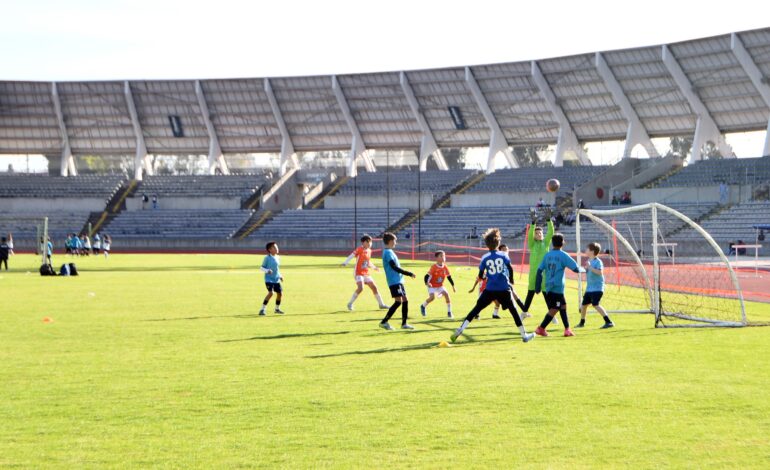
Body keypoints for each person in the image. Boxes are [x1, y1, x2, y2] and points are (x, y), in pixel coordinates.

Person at [450, 228, 535, 344]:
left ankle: (460, 329)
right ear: (498, 243)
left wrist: (485, 277)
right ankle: (524, 335)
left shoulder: (485, 257)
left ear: (486, 244)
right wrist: (511, 279)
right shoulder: (504, 255)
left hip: (489, 289)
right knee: (514, 311)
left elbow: (481, 274)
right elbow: (509, 268)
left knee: (476, 309)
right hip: (504, 289)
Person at [534, 233, 586, 337]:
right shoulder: (563, 255)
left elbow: (539, 270)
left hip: (549, 286)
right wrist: (585, 269)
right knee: (555, 308)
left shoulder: (547, 255)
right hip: (556, 287)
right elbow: (576, 269)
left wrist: (538, 286)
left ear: (552, 243)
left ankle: (567, 330)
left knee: (563, 306)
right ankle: (541, 328)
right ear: (563, 243)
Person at [520, 210, 556, 323]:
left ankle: (552, 315)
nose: (539, 234)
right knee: (530, 294)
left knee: (546, 295)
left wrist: (549, 220)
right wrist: (533, 223)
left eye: (540, 233)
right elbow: (530, 234)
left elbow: (551, 232)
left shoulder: (546, 243)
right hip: (533, 274)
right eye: (537, 233)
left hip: (545, 274)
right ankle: (524, 312)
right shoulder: (532, 244)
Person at [378, 232, 416, 331]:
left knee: (403, 300)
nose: (395, 242)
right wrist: (409, 273)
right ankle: (385, 322)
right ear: (390, 241)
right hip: (394, 281)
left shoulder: (389, 251)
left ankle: (403, 323)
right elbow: (394, 267)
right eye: (395, 241)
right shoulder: (388, 253)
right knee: (400, 301)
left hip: (397, 280)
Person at [342, 234, 388, 311]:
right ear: (363, 242)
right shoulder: (359, 249)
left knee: (374, 287)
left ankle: (381, 304)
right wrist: (345, 262)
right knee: (361, 288)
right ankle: (350, 303)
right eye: (368, 242)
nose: (370, 244)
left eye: (371, 242)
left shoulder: (369, 251)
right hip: (358, 273)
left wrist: (374, 267)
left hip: (366, 273)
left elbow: (368, 262)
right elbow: (352, 255)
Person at [577, 242, 614, 329]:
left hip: (597, 288)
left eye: (587, 249)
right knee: (584, 305)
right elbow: (589, 271)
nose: (585, 250)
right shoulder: (589, 261)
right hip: (590, 288)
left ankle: (609, 322)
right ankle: (582, 322)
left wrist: (589, 268)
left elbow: (600, 272)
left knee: (595, 304)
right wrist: (584, 269)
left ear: (592, 251)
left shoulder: (598, 261)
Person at [420, 250, 456, 319]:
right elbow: (426, 276)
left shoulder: (445, 267)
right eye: (441, 256)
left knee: (446, 294)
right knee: (432, 298)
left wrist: (453, 286)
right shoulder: (434, 267)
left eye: (444, 256)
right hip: (432, 285)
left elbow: (449, 277)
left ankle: (449, 312)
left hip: (440, 285)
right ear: (436, 258)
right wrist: (427, 283)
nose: (443, 257)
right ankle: (423, 306)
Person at [259, 241, 284, 315]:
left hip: (276, 279)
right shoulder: (267, 258)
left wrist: (280, 275)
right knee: (271, 293)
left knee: (280, 294)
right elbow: (261, 268)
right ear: (270, 249)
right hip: (269, 279)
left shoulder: (278, 257)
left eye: (276, 247)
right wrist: (267, 270)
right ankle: (262, 309)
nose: (276, 248)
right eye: (274, 247)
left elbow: (277, 269)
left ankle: (277, 309)